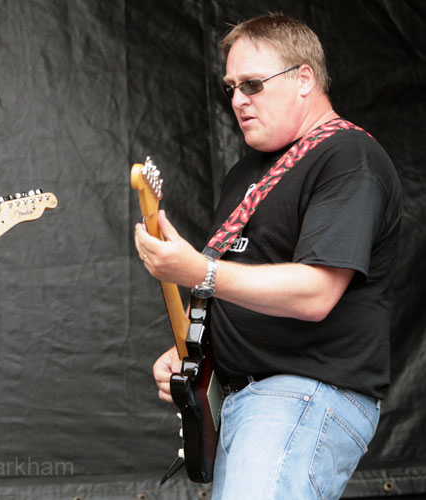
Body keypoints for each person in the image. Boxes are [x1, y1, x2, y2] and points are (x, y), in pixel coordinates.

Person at [134, 13, 402, 500]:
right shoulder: (249, 171)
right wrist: (196, 354)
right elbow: (242, 289)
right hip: (246, 400)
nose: (238, 100)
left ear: (304, 78)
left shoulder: (347, 156)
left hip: (302, 393)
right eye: (231, 87)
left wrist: (201, 270)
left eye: (253, 84)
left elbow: (316, 293)